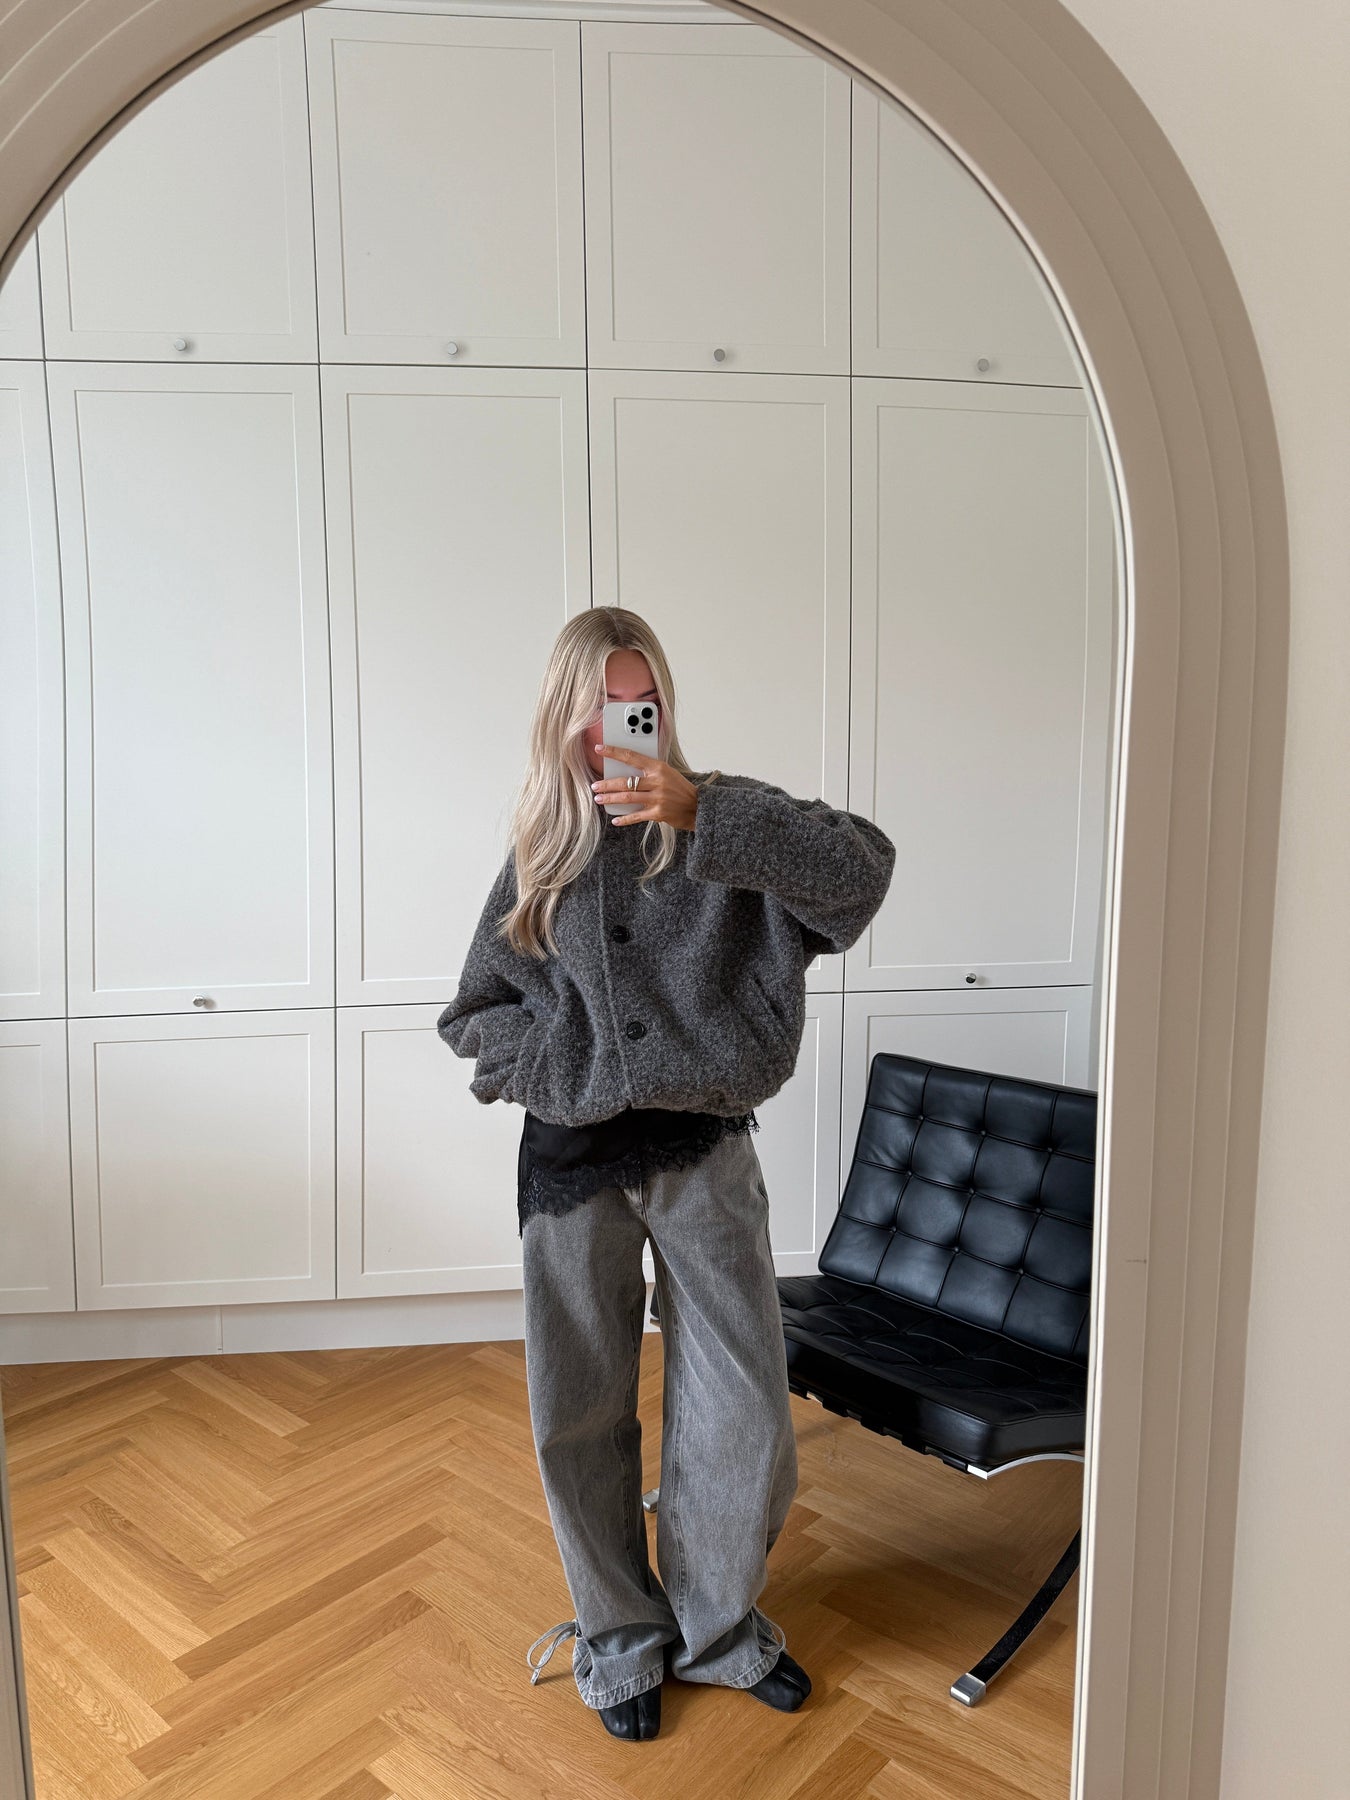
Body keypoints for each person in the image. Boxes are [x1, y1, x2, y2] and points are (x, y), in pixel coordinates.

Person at [437, 608, 896, 1741]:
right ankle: (621, 1640)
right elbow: (475, 1012)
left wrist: (706, 815)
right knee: (580, 1409)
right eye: (602, 704)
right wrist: (559, 1067)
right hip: (571, 1163)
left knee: (744, 1407)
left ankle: (720, 1630)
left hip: (705, 1154)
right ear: (565, 715)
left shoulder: (727, 824)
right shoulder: (541, 853)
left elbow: (861, 877)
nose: (622, 725)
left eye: (641, 702)